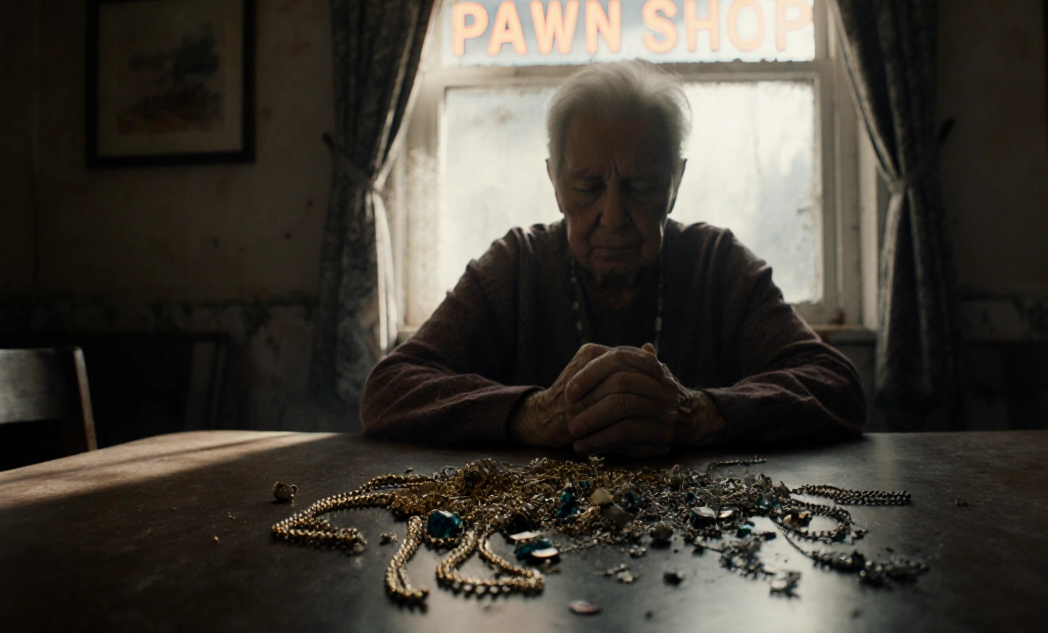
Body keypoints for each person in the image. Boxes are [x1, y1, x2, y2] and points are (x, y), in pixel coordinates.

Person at [360, 60, 866, 457]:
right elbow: (389, 390)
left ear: (675, 184)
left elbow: (837, 386)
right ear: (555, 184)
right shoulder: (516, 266)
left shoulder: (718, 264)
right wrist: (534, 414)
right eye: (587, 186)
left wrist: (698, 413)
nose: (613, 215)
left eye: (640, 186)